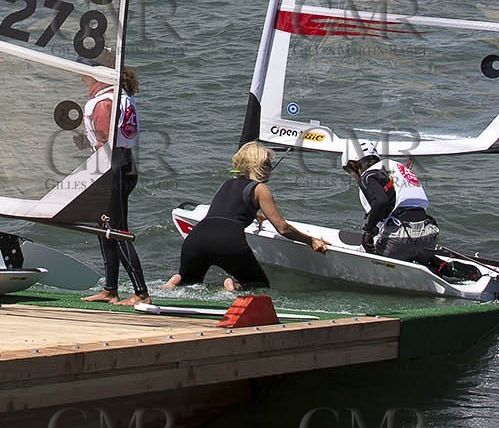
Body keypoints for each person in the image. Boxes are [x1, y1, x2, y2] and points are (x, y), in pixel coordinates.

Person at [162, 141, 328, 291]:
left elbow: (229, 211)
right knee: (259, 283)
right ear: (257, 165)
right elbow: (283, 228)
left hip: (196, 238)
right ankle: (234, 286)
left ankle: (175, 282)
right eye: (267, 163)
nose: (271, 168)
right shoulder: (260, 189)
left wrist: (254, 214)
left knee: (190, 286)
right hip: (228, 241)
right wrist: (310, 240)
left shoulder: (227, 183)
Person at [76, 67, 149, 306]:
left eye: (84, 73)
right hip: (124, 163)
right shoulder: (119, 96)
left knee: (116, 230)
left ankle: (141, 292)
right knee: (104, 227)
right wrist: (85, 141)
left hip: (112, 168)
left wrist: (96, 165)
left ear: (97, 77)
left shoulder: (104, 102)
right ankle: (110, 289)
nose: (80, 77)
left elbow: (106, 142)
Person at [341, 142, 440, 263]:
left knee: (361, 258)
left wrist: (367, 232)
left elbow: (381, 202)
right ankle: (442, 266)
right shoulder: (396, 168)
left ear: (352, 164)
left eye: (348, 171)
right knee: (419, 258)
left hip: (401, 237)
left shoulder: (368, 176)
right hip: (429, 233)